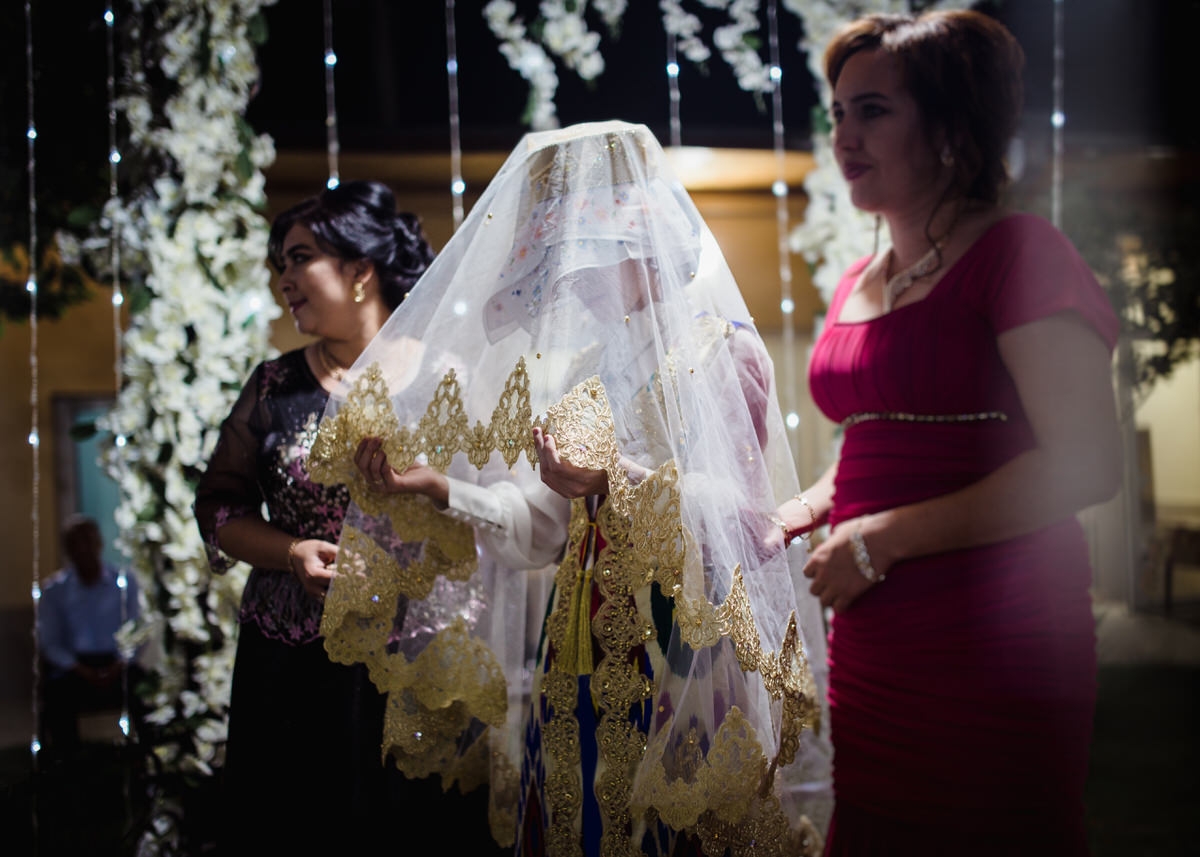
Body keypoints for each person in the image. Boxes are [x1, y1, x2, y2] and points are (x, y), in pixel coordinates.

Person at [308, 119, 833, 856]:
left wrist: (617, 477)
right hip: (581, 633)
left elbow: (745, 518)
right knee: (581, 810)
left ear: (640, 253)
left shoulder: (722, 349)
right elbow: (544, 530)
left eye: (583, 263)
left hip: (679, 634)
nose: (572, 286)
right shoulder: (591, 369)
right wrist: (436, 488)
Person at [767, 10, 1123, 856]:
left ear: (954, 125)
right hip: (873, 635)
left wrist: (884, 537)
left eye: (874, 111)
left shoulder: (1018, 252)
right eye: (838, 113)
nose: (844, 134)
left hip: (996, 630)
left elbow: (1085, 462)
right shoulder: (860, 275)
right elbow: (879, 438)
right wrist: (798, 510)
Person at [194, 181, 502, 856]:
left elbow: (501, 506)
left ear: (360, 271)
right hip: (293, 661)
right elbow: (218, 506)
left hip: (422, 656)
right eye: (280, 264)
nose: (284, 280)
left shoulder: (446, 377)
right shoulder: (274, 387)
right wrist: (291, 551)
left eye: (299, 258)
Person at [38, 514, 143, 749]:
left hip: (117, 662)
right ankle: (66, 761)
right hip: (75, 666)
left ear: (99, 543)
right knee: (56, 692)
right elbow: (50, 642)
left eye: (88, 541)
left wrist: (121, 663)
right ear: (67, 549)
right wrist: (80, 668)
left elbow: (137, 630)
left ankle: (150, 756)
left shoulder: (125, 582)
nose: (83, 550)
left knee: (146, 687)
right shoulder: (55, 590)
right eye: (75, 543)